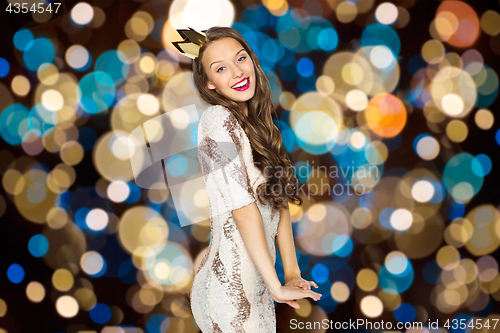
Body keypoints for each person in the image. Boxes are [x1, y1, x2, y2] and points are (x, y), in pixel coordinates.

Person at [173, 26, 321, 332]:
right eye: (221, 68)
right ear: (210, 84)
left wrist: (291, 272)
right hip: (228, 290)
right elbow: (242, 208)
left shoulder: (260, 127)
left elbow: (278, 203)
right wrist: (277, 287)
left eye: (241, 59)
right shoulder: (217, 120)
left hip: (258, 286)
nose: (238, 72)